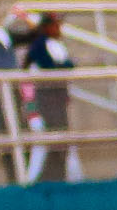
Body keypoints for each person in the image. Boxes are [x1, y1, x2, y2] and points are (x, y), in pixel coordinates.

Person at [22, 14, 78, 184]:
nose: (59, 28)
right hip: (44, 101)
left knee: (62, 140)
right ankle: (39, 180)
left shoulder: (57, 45)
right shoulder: (38, 45)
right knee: (49, 141)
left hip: (57, 99)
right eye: (55, 25)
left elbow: (69, 65)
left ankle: (58, 176)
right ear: (46, 27)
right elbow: (49, 67)